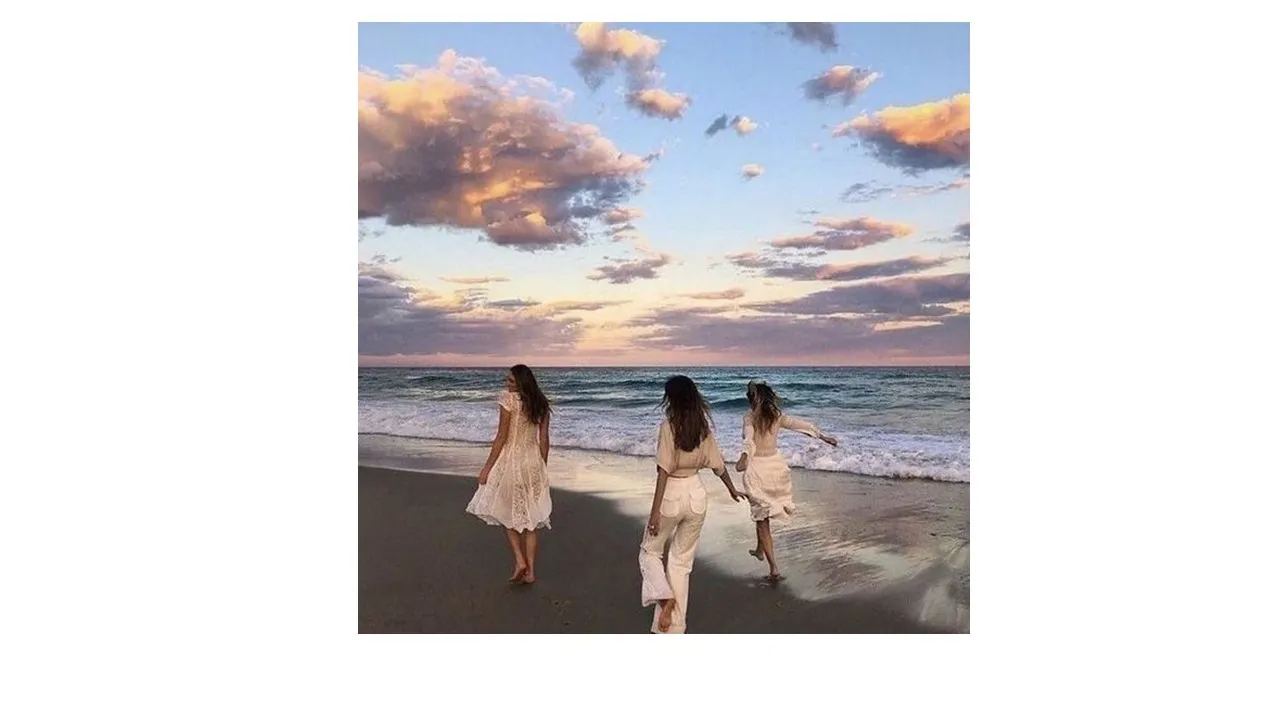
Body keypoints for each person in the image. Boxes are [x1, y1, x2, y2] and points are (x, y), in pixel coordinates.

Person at [640, 375, 745, 634]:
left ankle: (664, 598)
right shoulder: (703, 428)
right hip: (697, 495)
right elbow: (718, 466)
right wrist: (732, 490)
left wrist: (655, 512)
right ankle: (674, 628)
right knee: (681, 563)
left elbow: (663, 470)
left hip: (672, 494)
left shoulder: (669, 426)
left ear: (672, 399)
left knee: (649, 552)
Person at [734, 380, 837, 583]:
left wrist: (744, 457)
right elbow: (801, 425)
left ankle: (773, 568)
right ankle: (759, 549)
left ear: (750, 400)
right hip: (776, 468)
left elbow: (749, 438)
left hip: (758, 470)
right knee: (761, 513)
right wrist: (823, 437)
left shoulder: (749, 417)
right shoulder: (776, 416)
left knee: (761, 516)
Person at [465, 364, 552, 585]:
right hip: (533, 461)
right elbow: (544, 440)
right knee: (532, 518)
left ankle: (520, 561)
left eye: (511, 381)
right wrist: (542, 465)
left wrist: (486, 468)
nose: (507, 384)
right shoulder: (541, 403)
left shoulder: (508, 400)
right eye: (507, 380)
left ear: (522, 382)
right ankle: (531, 571)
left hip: (512, 461)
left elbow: (501, 437)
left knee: (504, 510)